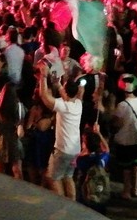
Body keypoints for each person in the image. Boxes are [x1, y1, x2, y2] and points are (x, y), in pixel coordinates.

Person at [37, 61, 83, 199]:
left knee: (53, 177)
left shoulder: (63, 106)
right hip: (75, 150)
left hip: (63, 150)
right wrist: (58, 84)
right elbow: (67, 95)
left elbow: (44, 96)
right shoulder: (78, 104)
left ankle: (63, 205)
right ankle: (72, 204)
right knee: (68, 177)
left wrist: (43, 77)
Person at [111, 73, 137, 200]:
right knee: (136, 165)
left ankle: (126, 190)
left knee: (126, 168)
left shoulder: (122, 105)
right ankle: (135, 189)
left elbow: (118, 123)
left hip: (124, 141)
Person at [0, 82, 25, 179]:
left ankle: (0, 191)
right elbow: (20, 128)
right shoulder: (19, 107)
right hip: (14, 140)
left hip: (0, 140)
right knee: (17, 169)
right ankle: (19, 189)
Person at [75, 123, 111, 214]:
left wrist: (84, 148)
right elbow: (106, 149)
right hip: (100, 190)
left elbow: (78, 158)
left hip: (86, 191)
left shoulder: (82, 159)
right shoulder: (102, 157)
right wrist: (98, 133)